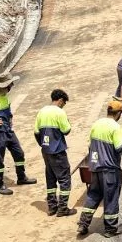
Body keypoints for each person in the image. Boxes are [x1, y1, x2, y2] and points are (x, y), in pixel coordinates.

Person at [77, 110, 122, 238]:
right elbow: (120, 147)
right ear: (119, 113)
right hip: (110, 170)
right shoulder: (116, 127)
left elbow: (90, 146)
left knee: (93, 195)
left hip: (95, 168)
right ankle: (110, 229)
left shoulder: (96, 124)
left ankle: (83, 224)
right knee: (111, 198)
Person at [0, 73, 36, 195]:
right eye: (10, 84)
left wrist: (10, 121)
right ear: (5, 86)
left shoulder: (5, 96)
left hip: (8, 130)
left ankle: (21, 177)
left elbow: (8, 111)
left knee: (19, 153)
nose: (12, 86)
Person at [33, 89, 74, 217]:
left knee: (50, 178)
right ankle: (63, 209)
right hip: (58, 151)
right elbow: (66, 130)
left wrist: (43, 145)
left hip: (46, 151)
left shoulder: (41, 111)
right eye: (64, 103)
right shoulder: (59, 112)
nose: (63, 105)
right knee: (64, 178)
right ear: (61, 100)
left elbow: (36, 132)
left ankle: (52, 207)